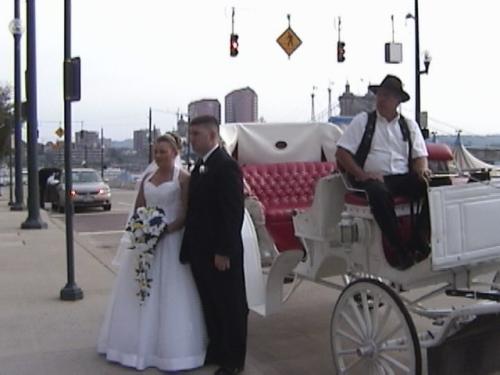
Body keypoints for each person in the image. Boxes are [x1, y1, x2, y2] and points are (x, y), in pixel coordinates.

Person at [98, 133, 207, 371]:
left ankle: (170, 351)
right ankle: (136, 345)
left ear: (175, 153)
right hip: (146, 241)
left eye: (163, 152)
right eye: (156, 152)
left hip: (171, 240)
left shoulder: (184, 178)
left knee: (171, 293)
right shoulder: (147, 176)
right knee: (140, 289)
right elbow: (139, 208)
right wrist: (143, 228)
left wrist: (165, 229)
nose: (158, 156)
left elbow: (186, 213)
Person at [336, 74, 431, 270]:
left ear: (397, 100)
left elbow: (420, 155)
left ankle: (419, 241)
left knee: (432, 188)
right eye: (380, 95)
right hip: (371, 179)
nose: (381, 99)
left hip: (400, 177)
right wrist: (362, 174)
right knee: (379, 192)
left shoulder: (408, 125)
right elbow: (342, 153)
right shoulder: (364, 121)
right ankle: (398, 249)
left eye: (386, 96)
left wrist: (422, 171)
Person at [180, 115, 248, 375]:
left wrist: (224, 251)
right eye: (191, 134)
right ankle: (218, 349)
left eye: (196, 134)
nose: (191, 139)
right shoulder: (201, 165)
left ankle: (233, 361)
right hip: (201, 250)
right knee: (211, 303)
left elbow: (232, 213)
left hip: (220, 251)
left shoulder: (226, 166)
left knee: (230, 306)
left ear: (212, 136)